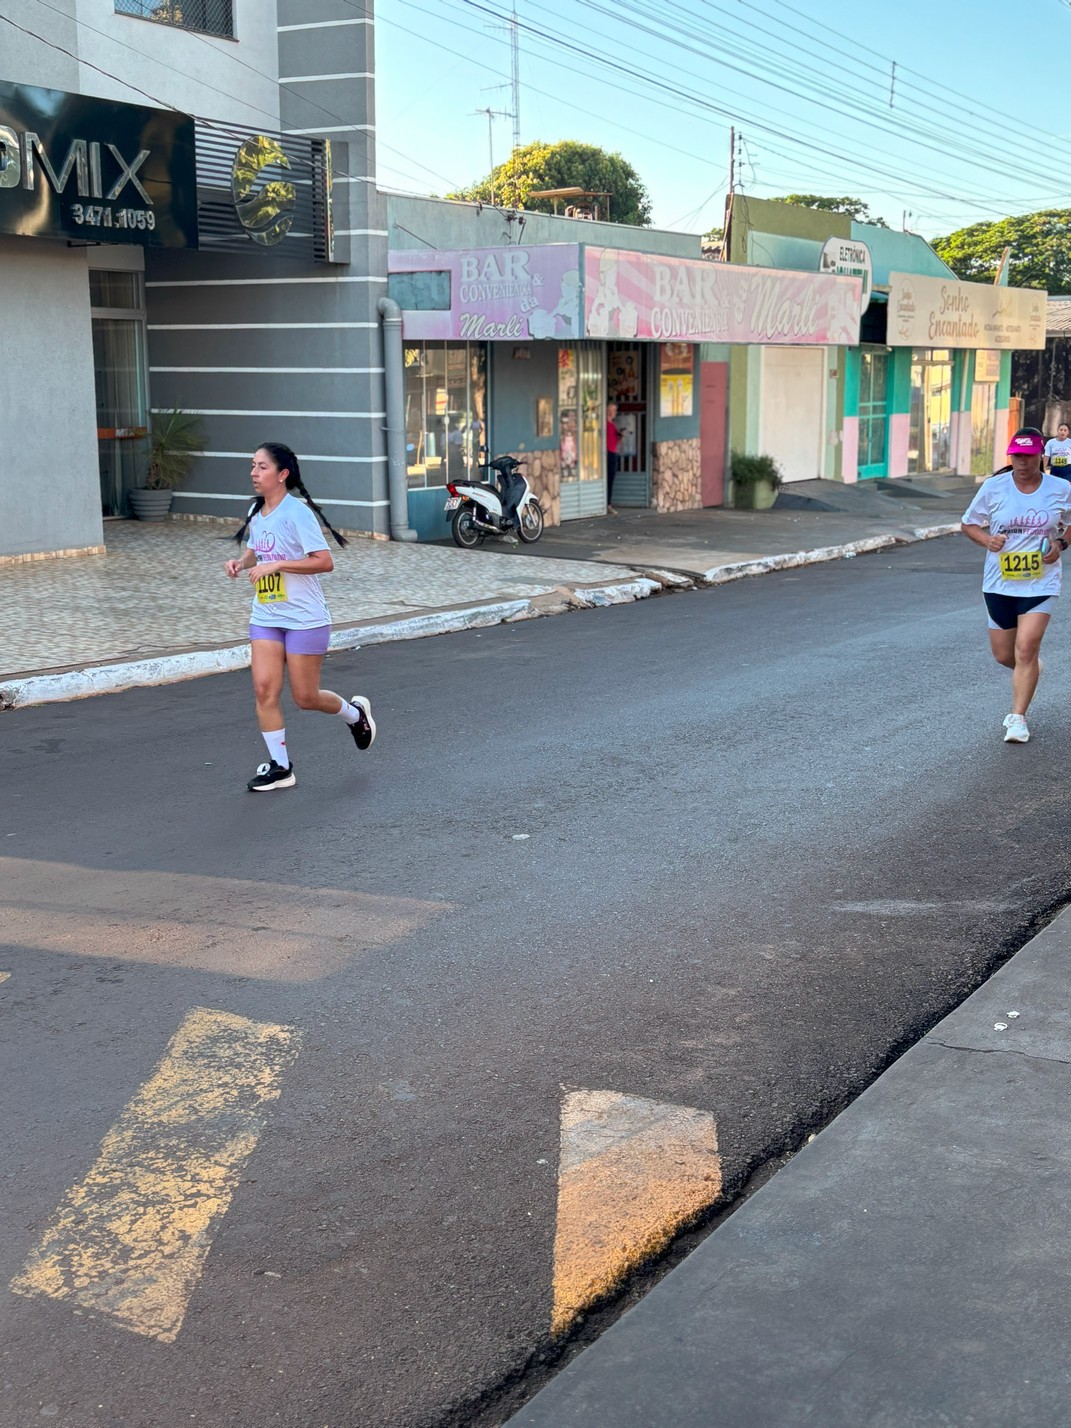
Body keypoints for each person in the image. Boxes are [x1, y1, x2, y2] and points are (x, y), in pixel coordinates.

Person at [225, 443, 375, 791]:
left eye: (261, 467)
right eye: (252, 466)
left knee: (305, 697)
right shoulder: (257, 510)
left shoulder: (298, 513)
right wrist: (242, 563)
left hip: (305, 618)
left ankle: (355, 715)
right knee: (264, 689)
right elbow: (257, 549)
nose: (253, 473)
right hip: (266, 613)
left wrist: (277, 564)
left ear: (282, 475)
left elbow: (324, 561)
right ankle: (280, 766)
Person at [961, 427, 1071, 743]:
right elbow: (968, 523)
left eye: (1029, 456)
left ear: (1041, 456)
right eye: (1017, 456)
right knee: (1003, 655)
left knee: (1026, 647)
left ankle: (1018, 718)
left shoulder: (1060, 488)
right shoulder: (994, 487)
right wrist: (987, 539)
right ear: (1011, 457)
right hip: (999, 582)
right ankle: (1030, 670)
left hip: (1042, 582)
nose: (1022, 463)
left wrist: (1061, 543)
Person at [606, 401, 623, 514]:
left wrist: (619, 436)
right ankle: (607, 503)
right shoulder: (607, 425)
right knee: (608, 478)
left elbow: (615, 440)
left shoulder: (612, 425)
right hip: (607, 453)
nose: (615, 412)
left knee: (610, 478)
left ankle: (608, 503)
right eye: (614, 410)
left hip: (612, 451)